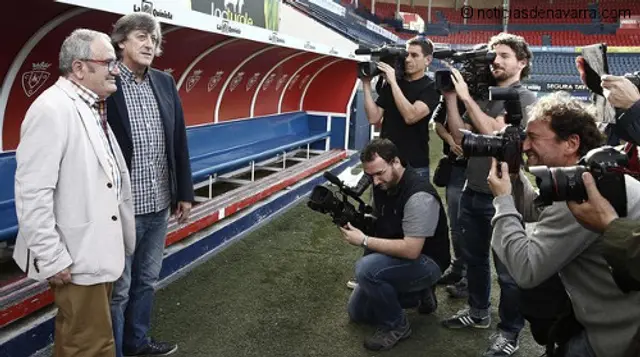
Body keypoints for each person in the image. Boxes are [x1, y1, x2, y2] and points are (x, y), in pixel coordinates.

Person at [488, 91, 640, 357]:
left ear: (571, 143)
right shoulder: (588, 175)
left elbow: (526, 269)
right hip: (615, 317)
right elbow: (538, 211)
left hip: (617, 335)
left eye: (533, 138)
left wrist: (502, 200)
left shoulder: (583, 192)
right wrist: (513, 175)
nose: (524, 146)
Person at [12, 29, 135, 357]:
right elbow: (32, 193)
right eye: (108, 62)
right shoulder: (52, 110)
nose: (116, 69)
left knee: (87, 341)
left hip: (95, 253)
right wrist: (52, 257)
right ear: (80, 68)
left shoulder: (92, 106)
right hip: (76, 257)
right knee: (88, 345)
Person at [439, 32, 538, 357]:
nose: (495, 60)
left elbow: (495, 134)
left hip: (507, 196)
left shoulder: (523, 98)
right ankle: (479, 312)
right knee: (476, 260)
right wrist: (451, 98)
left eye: (505, 55)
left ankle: (509, 332)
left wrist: (467, 99)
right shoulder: (484, 95)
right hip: (473, 189)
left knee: (509, 273)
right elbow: (460, 138)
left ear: (522, 62)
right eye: (493, 55)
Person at [107, 12, 194, 357]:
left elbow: (178, 140)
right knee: (120, 289)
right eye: (142, 36)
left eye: (154, 39)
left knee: (146, 281)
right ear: (121, 41)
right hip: (120, 209)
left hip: (159, 204)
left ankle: (137, 342)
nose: (149, 44)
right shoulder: (106, 82)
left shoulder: (164, 81)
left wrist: (184, 193)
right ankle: (112, 349)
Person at [339, 138, 451, 351]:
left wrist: (363, 239)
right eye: (370, 175)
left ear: (396, 162)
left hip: (428, 261)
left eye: (379, 173)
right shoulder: (383, 185)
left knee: (366, 270)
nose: (375, 181)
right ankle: (418, 294)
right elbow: (379, 222)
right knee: (358, 313)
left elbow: (411, 250)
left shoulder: (419, 195)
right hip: (401, 255)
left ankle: (397, 326)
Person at [362, 36, 440, 178]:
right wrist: (366, 83)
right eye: (406, 55)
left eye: (415, 55)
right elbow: (373, 118)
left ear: (428, 60)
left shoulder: (431, 87)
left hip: (414, 164)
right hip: (386, 161)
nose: (408, 59)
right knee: (381, 200)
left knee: (414, 200)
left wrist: (393, 82)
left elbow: (411, 116)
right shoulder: (393, 83)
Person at [432, 99, 469, 298]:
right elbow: (437, 122)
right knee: (455, 225)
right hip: (454, 169)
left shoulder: (479, 98)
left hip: (474, 170)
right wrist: (449, 140)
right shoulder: (449, 98)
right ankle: (458, 269)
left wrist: (457, 140)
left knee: (470, 228)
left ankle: (470, 279)